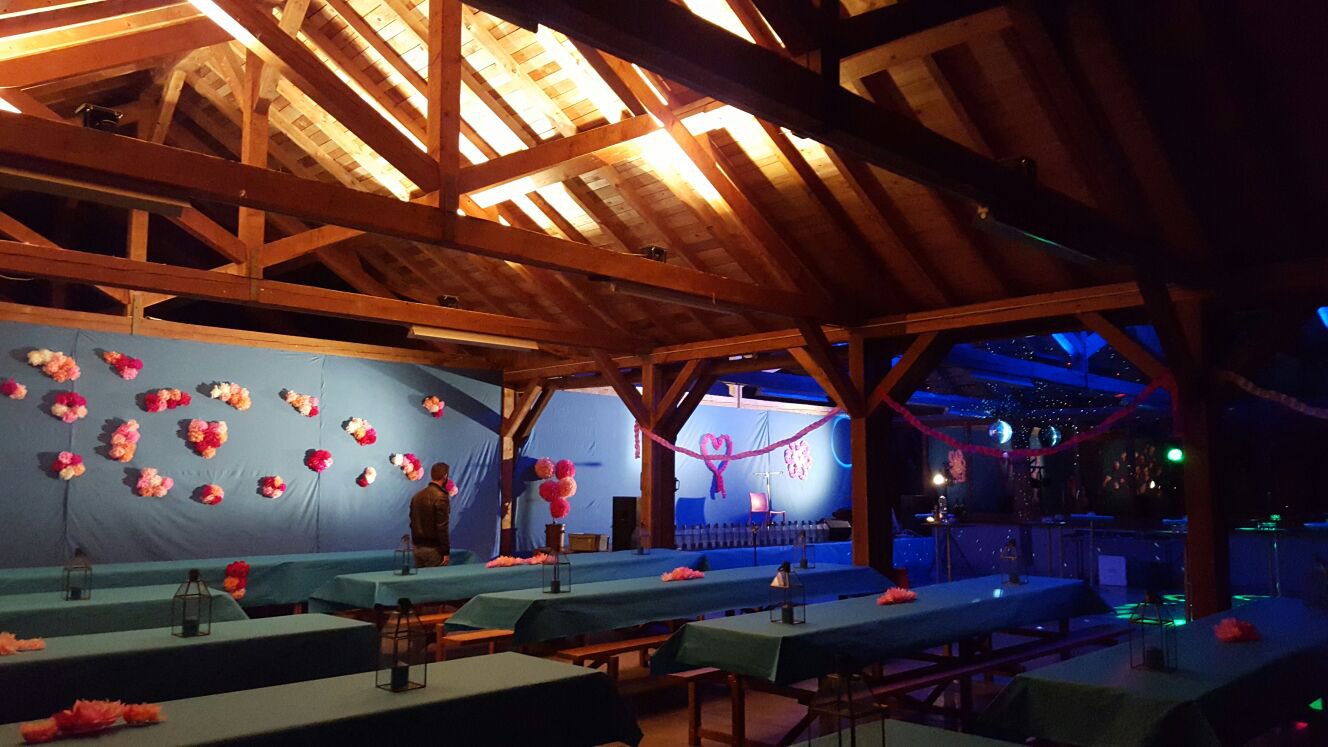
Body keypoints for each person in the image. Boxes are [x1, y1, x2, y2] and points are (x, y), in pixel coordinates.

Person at [410, 462, 451, 568]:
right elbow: (442, 527)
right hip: (434, 549)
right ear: (445, 476)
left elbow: (412, 522)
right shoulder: (441, 497)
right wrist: (445, 551)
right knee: (438, 578)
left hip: (417, 547)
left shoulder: (417, 496)